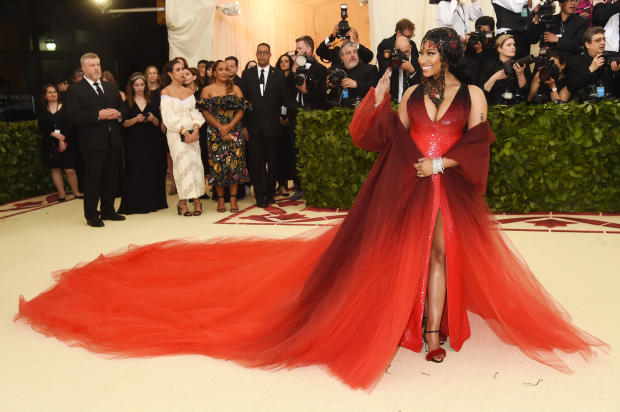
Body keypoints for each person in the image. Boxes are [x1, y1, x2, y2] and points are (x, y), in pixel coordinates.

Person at [16, 27, 607, 392]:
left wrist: (445, 165)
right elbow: (381, 140)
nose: (422, 58)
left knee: (444, 252)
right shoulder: (405, 93)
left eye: (429, 52)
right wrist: (378, 101)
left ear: (446, 57)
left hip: (448, 188)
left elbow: (479, 144)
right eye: (421, 52)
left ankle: (435, 323)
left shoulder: (474, 94)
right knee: (425, 253)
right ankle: (428, 327)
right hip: (411, 189)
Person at [66, 52, 127, 227]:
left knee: (111, 177)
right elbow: (73, 115)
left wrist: (119, 113)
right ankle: (92, 215)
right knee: (93, 179)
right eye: (92, 65)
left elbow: (123, 106)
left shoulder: (110, 87)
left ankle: (108, 211)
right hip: (92, 144)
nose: (96, 68)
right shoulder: (75, 90)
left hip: (113, 141)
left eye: (98, 64)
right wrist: (97, 115)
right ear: (83, 68)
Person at [199, 60, 251, 213]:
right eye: (220, 69)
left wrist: (228, 127)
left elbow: (242, 110)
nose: (223, 71)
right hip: (215, 132)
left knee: (234, 166)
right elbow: (204, 111)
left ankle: (233, 199)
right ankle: (221, 200)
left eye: (226, 69)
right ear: (214, 72)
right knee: (218, 166)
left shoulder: (235, 88)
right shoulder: (207, 89)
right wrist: (221, 127)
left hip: (234, 131)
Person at [241, 43, 288, 208]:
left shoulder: (278, 75)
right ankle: (260, 194)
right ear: (256, 54)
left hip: (273, 126)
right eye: (260, 52)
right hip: (253, 128)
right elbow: (243, 103)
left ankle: (270, 192)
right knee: (256, 162)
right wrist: (244, 126)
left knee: (273, 161)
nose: (262, 55)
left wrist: (283, 116)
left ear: (270, 55)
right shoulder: (247, 75)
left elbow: (284, 99)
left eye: (265, 53)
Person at [160, 59, 206, 216]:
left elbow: (194, 113)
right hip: (176, 134)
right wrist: (183, 132)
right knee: (182, 166)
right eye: (178, 69)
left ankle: (197, 201)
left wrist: (195, 129)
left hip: (192, 134)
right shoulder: (165, 92)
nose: (181, 72)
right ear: (170, 74)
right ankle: (183, 202)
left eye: (182, 69)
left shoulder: (189, 92)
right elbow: (168, 117)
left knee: (195, 164)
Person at [118, 73, 168, 214]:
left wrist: (152, 119)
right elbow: (123, 123)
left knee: (151, 170)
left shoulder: (152, 100)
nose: (139, 88)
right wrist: (135, 120)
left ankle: (153, 202)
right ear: (132, 86)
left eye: (142, 84)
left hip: (151, 141)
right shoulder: (127, 102)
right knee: (134, 171)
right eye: (136, 85)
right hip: (133, 142)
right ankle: (136, 204)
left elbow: (159, 123)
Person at [38, 83, 82, 201]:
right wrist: (54, 135)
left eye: (55, 92)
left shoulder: (66, 107)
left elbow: (71, 124)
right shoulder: (42, 110)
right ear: (45, 96)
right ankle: (61, 194)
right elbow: (41, 127)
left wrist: (62, 138)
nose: (53, 94)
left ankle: (76, 192)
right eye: (50, 92)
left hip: (68, 142)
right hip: (50, 144)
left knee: (69, 169)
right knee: (55, 169)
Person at [565, 26, 620, 99]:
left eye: (604, 39)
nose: (603, 42)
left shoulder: (614, 56)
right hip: (586, 104)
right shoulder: (575, 61)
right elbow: (571, 87)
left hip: (612, 103)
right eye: (598, 40)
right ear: (587, 44)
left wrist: (616, 73)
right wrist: (591, 69)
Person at [478, 34, 531, 104]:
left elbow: (525, 93)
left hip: (515, 108)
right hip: (493, 107)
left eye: (514, 45)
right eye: (509, 45)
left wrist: (520, 75)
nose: (513, 47)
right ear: (499, 49)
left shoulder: (521, 65)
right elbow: (481, 93)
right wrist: (494, 78)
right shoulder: (489, 65)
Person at [327, 41, 379, 107]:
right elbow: (331, 96)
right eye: (348, 53)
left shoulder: (370, 69)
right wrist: (330, 87)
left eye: (354, 52)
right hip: (341, 111)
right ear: (342, 57)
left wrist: (357, 84)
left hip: (363, 110)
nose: (352, 55)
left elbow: (376, 87)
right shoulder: (338, 71)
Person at [275, 53, 297, 196]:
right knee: (279, 153)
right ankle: (281, 184)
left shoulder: (295, 77)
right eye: (281, 61)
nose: (283, 63)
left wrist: (289, 116)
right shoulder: (274, 77)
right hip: (276, 118)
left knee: (292, 151)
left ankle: (296, 182)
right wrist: (279, 117)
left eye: (286, 61)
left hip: (293, 117)